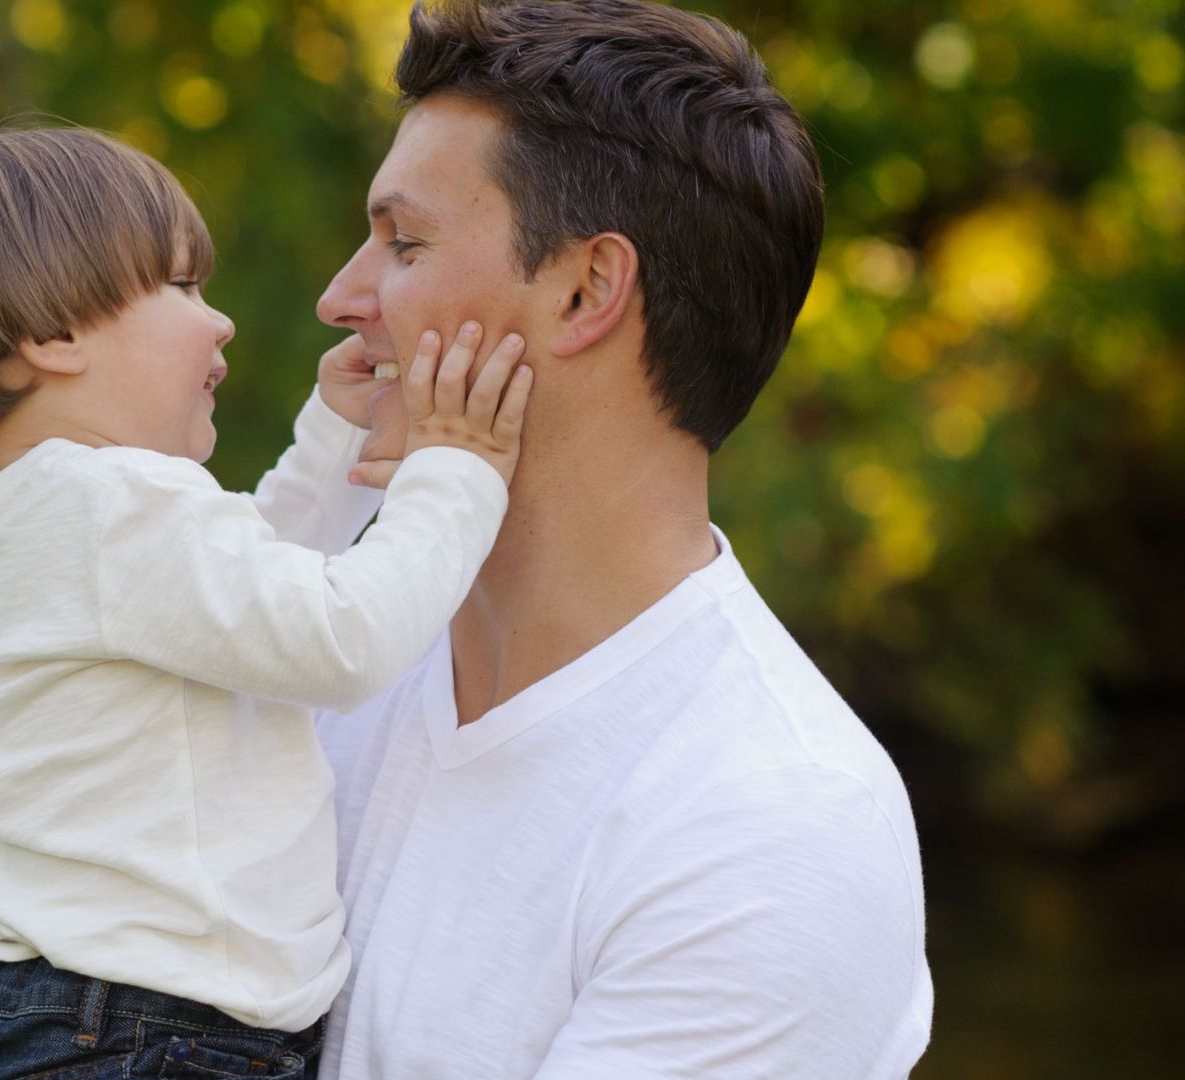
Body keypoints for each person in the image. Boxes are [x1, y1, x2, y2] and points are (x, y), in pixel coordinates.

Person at [0, 126, 533, 1079]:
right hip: (143, 1030)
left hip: (96, 1020)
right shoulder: (98, 505)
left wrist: (338, 439)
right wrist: (457, 468)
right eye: (180, 287)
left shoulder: (55, 513)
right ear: (51, 337)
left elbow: (248, 600)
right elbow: (340, 641)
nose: (218, 322)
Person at [308, 2, 935, 1077]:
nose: (341, 300)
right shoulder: (314, 658)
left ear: (586, 289)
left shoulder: (772, 830)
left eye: (404, 244)